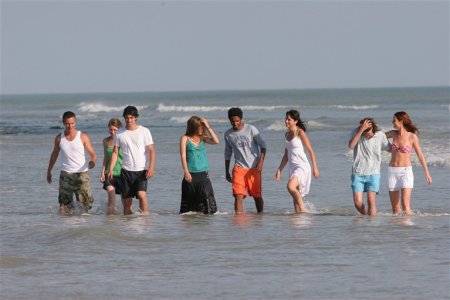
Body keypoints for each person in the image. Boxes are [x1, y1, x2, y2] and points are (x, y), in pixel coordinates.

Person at [47, 111, 97, 214]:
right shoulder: (59, 138)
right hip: (66, 174)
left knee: (85, 207)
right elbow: (54, 155)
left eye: (72, 123)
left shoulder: (83, 136)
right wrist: (49, 171)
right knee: (63, 207)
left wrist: (92, 161)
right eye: (67, 124)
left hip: (82, 174)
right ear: (63, 123)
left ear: (75, 122)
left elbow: (92, 153)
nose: (70, 126)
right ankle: (66, 229)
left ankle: (82, 229)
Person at [109, 106, 155, 215]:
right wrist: (110, 169)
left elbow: (152, 150)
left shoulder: (144, 131)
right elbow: (115, 152)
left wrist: (151, 167)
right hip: (126, 171)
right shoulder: (119, 133)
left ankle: (144, 219)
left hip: (141, 170)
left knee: (141, 195)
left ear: (135, 118)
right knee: (127, 202)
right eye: (126, 118)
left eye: (131, 117)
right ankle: (128, 227)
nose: (129, 120)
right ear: (124, 118)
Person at [385, 111, 432, 215]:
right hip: (392, 171)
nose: (392, 122)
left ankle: (408, 229)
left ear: (401, 121)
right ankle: (398, 229)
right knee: (395, 208)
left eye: (394, 120)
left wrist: (427, 172)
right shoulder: (393, 133)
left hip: (406, 172)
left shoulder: (412, 137)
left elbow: (420, 155)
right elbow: (377, 137)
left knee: (405, 206)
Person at [275, 110, 319, 213]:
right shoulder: (286, 135)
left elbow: (310, 151)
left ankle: (303, 211)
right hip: (293, 167)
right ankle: (298, 218)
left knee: (290, 186)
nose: (286, 121)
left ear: (295, 121)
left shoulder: (300, 132)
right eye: (285, 119)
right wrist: (279, 170)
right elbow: (286, 155)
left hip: (302, 166)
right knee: (295, 195)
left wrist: (315, 168)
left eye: (289, 119)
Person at [224, 107, 266, 214]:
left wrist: (261, 162)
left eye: (237, 121)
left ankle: (260, 217)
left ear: (241, 119)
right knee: (238, 196)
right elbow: (228, 153)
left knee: (257, 196)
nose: (235, 123)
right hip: (239, 168)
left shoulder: (251, 129)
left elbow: (263, 146)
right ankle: (238, 220)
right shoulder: (228, 134)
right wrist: (226, 171)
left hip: (254, 168)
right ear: (229, 120)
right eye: (232, 121)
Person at [348, 117, 390, 216]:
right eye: (364, 133)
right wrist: (361, 130)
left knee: (371, 201)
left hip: (373, 173)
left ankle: (371, 225)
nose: (367, 135)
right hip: (358, 173)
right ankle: (367, 216)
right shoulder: (357, 132)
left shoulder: (380, 135)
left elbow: (390, 148)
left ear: (373, 128)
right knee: (357, 203)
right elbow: (351, 145)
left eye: (369, 132)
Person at [179, 116, 219, 214]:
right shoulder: (185, 138)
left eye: (203, 127)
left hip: (203, 175)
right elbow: (183, 157)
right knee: (189, 211)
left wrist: (208, 126)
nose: (202, 129)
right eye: (201, 127)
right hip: (191, 175)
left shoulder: (203, 138)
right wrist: (186, 172)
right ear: (194, 127)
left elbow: (216, 141)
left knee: (209, 207)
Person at [100, 118, 123, 215]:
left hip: (122, 173)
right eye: (110, 129)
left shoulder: (123, 140)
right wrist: (102, 173)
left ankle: (125, 222)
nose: (112, 132)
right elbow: (105, 158)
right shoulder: (105, 141)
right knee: (111, 198)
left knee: (125, 201)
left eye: (115, 130)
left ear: (119, 129)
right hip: (109, 174)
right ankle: (110, 222)